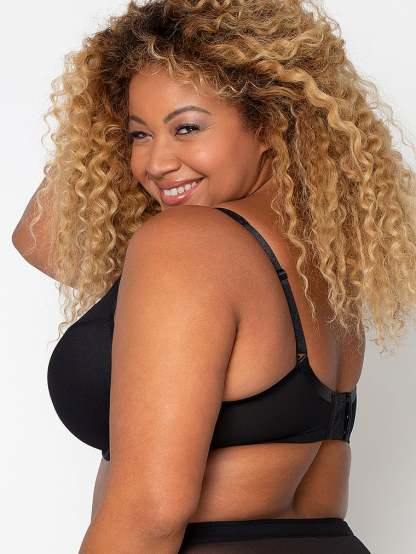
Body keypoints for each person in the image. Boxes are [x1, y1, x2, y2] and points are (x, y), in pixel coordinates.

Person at [12, 0, 416, 552]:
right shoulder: (314, 257)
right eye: (137, 135)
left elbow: (150, 515)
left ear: (270, 120)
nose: (156, 163)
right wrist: (119, 92)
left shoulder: (189, 243)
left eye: (187, 127)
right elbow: (42, 240)